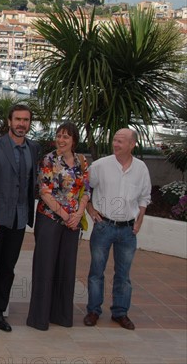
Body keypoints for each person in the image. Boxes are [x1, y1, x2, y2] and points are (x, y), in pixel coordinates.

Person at [0, 103, 40, 336]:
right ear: (9, 121)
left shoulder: (33, 148)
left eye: (26, 120)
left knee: (9, 268)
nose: (21, 124)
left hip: (19, 219)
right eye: (18, 119)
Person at [83, 128, 151, 331]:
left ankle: (120, 313)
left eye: (121, 141)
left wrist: (139, 221)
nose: (116, 144)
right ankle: (93, 310)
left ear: (132, 145)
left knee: (123, 275)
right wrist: (90, 210)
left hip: (128, 230)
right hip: (104, 226)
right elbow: (84, 188)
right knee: (96, 272)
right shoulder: (101, 165)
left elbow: (144, 197)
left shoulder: (141, 169)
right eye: (114, 140)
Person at [26, 122, 90, 330]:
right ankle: (39, 318)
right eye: (59, 135)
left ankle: (61, 316)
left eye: (66, 137)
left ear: (74, 141)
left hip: (72, 223)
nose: (61, 140)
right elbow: (44, 191)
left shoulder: (82, 161)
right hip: (50, 220)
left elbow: (86, 191)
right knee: (45, 267)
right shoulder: (48, 160)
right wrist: (65, 215)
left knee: (66, 268)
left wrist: (78, 214)